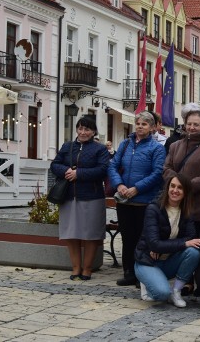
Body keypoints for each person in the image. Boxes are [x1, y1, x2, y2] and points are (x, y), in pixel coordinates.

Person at [108, 111, 166, 287]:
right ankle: (129, 272)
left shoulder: (157, 148)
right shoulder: (125, 144)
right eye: (138, 123)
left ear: (152, 127)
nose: (140, 126)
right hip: (125, 200)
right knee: (127, 238)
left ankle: (144, 275)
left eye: (144, 124)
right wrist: (119, 185)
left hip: (145, 200)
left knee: (144, 239)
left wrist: (137, 188)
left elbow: (157, 173)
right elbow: (112, 165)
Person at [50, 117, 109, 280]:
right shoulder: (67, 146)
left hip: (92, 196)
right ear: (76, 129)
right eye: (80, 128)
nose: (83, 132)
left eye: (87, 129)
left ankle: (87, 268)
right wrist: (66, 171)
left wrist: (79, 173)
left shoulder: (100, 149)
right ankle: (75, 267)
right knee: (71, 233)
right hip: (69, 196)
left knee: (90, 234)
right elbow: (54, 165)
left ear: (93, 132)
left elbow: (103, 170)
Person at [134, 173, 200, 307]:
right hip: (147, 261)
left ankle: (176, 290)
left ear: (186, 192)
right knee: (161, 294)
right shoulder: (153, 208)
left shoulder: (187, 211)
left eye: (180, 188)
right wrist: (180, 243)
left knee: (194, 252)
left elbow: (190, 237)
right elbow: (154, 243)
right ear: (167, 188)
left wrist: (163, 247)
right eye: (172, 186)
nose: (175, 190)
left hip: (169, 259)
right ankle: (147, 281)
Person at [164, 103, 200, 234]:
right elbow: (167, 168)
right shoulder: (175, 145)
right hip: (177, 205)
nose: (192, 127)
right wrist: (177, 186)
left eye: (196, 124)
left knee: (199, 246)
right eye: (189, 124)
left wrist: (184, 187)